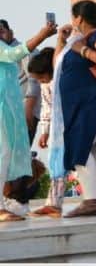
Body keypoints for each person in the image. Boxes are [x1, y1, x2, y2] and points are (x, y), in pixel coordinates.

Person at [47, 1, 96, 217]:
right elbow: (58, 67)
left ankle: (91, 199)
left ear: (79, 18)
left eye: (73, 17)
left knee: (80, 147)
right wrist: (61, 42)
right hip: (80, 105)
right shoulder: (77, 40)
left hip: (94, 101)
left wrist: (83, 51)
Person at [0, 18, 56, 222]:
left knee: (7, 155)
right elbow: (15, 54)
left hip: (10, 109)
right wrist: (43, 34)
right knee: (4, 154)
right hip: (4, 109)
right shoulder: (4, 48)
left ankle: (5, 203)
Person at [25, 48, 65, 218]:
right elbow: (47, 109)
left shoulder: (62, 80)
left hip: (70, 128)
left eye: (41, 77)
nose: (41, 81)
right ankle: (53, 203)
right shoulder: (46, 85)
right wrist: (45, 132)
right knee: (57, 164)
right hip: (57, 131)